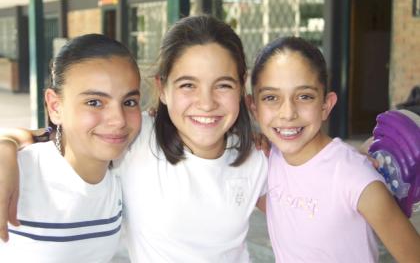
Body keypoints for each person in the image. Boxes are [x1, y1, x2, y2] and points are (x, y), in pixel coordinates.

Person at [0, 15, 268, 262]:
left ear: (241, 84)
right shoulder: (139, 140)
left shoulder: (259, 157)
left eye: (223, 85)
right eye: (188, 85)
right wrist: (7, 145)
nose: (206, 103)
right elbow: (63, 136)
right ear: (162, 89)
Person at [249, 36, 420, 262]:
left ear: (325, 105)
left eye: (304, 96)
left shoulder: (355, 177)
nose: (288, 113)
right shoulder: (266, 163)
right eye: (271, 97)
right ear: (254, 108)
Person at [0, 33, 142, 262]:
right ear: (55, 107)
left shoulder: (126, 170)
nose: (119, 120)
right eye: (94, 102)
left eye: (129, 102)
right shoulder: (16, 174)